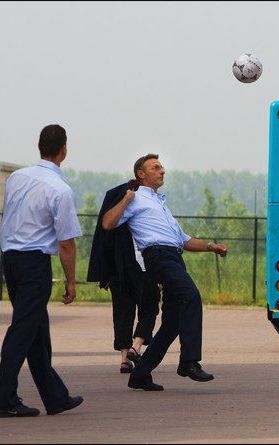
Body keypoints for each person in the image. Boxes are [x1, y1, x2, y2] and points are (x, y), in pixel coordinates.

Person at [102, 154, 228, 391]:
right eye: (156, 168)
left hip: (173, 256)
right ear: (141, 174)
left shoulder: (160, 204)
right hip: (158, 256)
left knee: (173, 321)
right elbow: (108, 223)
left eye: (161, 167)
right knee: (191, 295)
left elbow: (184, 240)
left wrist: (212, 246)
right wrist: (126, 199)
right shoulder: (136, 198)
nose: (162, 171)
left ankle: (140, 374)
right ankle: (189, 362)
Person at [0, 124, 84, 417]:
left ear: (39, 146)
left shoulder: (17, 178)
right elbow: (66, 243)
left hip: (10, 259)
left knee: (36, 329)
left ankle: (54, 397)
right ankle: (4, 398)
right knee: (23, 330)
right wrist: (71, 281)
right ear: (64, 150)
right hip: (34, 263)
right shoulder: (60, 189)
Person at [87, 180, 161, 374]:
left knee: (122, 314)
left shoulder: (118, 210)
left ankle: (124, 359)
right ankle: (136, 347)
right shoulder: (135, 208)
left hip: (120, 270)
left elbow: (104, 242)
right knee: (149, 307)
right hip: (142, 268)